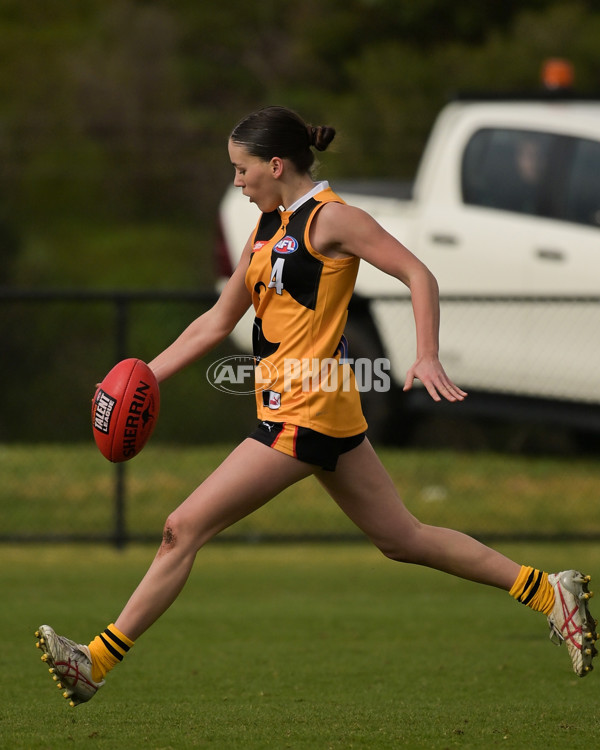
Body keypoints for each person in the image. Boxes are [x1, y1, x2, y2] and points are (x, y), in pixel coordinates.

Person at [35, 106, 597, 707]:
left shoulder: (334, 221)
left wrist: (427, 355)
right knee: (403, 537)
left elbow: (419, 273)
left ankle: (94, 660)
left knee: (182, 528)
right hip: (311, 412)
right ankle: (547, 592)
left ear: (275, 165)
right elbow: (217, 321)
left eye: (241, 169)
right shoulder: (266, 228)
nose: (236, 182)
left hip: (304, 414)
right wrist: (144, 373)